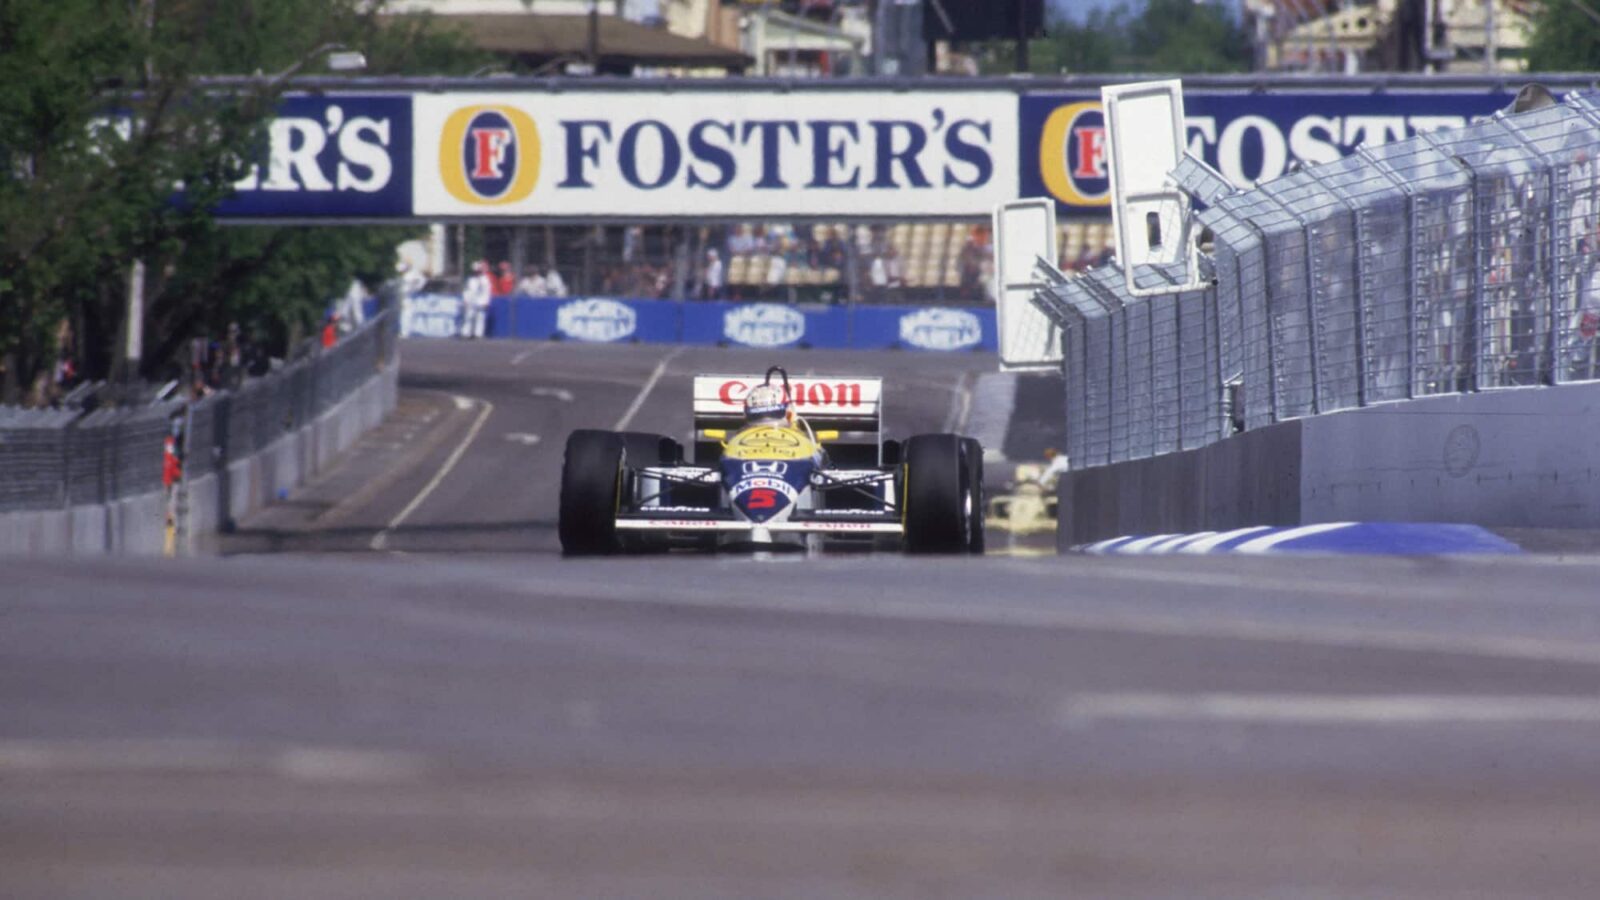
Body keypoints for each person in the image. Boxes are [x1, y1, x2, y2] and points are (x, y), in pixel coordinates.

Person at [461, 260, 492, 339]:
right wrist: (465, 300)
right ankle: (465, 333)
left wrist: (486, 302)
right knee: (468, 316)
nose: (476, 272)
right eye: (475, 271)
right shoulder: (470, 279)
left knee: (480, 317)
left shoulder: (485, 279)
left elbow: (487, 291)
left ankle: (478, 334)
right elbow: (466, 290)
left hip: (481, 301)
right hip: (471, 301)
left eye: (478, 271)